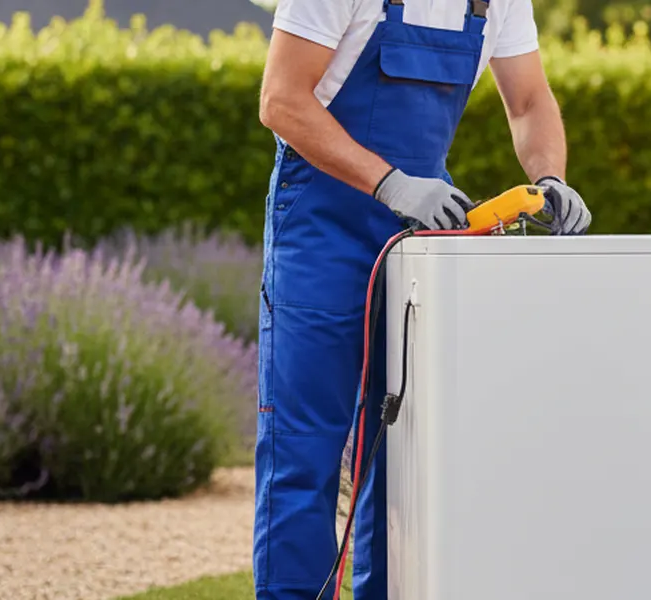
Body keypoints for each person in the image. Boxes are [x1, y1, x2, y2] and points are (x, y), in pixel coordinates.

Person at [253, 0, 591, 598]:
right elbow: (282, 101)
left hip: (418, 236)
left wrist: (551, 178)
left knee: (406, 454)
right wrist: (390, 182)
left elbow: (531, 100)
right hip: (320, 236)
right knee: (303, 453)